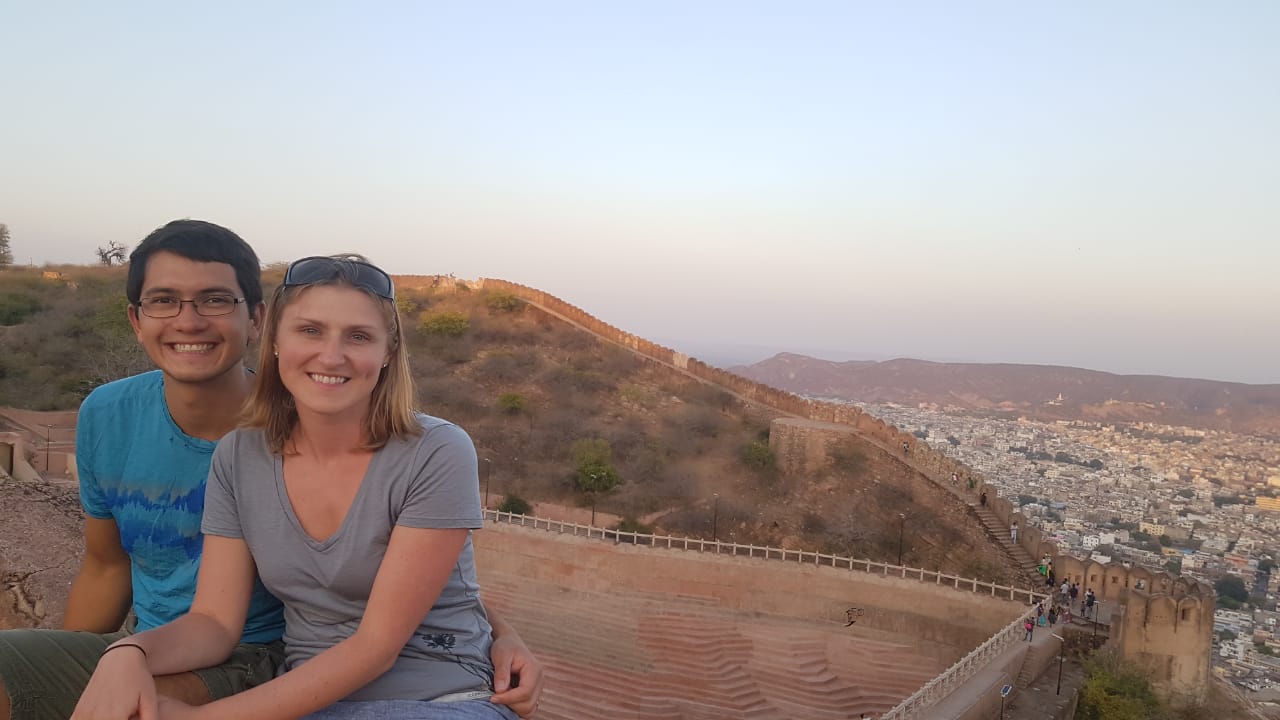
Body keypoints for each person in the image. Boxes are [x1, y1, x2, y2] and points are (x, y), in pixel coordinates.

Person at [0, 223, 540, 720]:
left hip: (425, 695)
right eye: (310, 330)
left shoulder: (434, 449)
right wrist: (125, 653)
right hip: (295, 686)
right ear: (277, 340)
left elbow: (384, 634)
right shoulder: (238, 455)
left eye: (358, 336)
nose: (331, 356)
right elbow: (204, 615)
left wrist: (501, 632)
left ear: (388, 351)